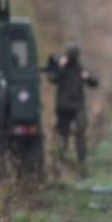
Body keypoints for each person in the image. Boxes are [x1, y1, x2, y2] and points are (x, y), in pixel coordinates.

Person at [47, 44, 98, 174]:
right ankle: (62, 162)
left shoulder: (79, 70)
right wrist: (57, 66)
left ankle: (80, 162)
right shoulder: (62, 69)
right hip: (64, 107)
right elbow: (52, 78)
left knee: (79, 133)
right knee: (63, 136)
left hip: (74, 107)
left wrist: (88, 77)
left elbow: (94, 82)